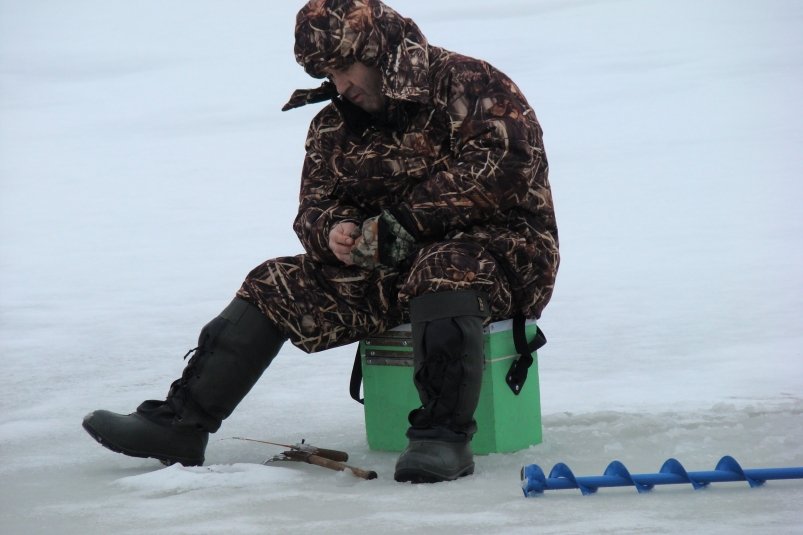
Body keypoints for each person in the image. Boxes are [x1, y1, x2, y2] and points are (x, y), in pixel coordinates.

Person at [82, 0, 559, 484]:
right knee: (275, 281)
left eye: (346, 67)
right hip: (390, 266)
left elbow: (506, 167)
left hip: (505, 256)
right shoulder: (333, 124)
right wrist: (333, 233)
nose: (341, 85)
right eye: (329, 73)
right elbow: (312, 208)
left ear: (379, 52)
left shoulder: (470, 84)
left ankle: (443, 438)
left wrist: (397, 224)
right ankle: (181, 425)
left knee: (442, 265)